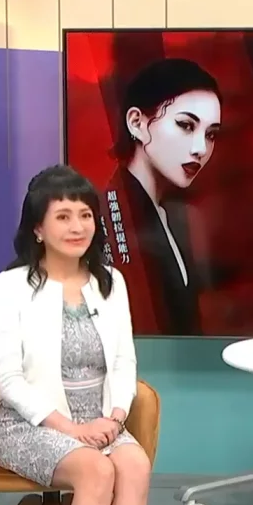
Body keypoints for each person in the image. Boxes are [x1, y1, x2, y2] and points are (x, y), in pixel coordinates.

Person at [0, 165, 153, 505]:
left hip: (101, 420)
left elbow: (124, 361)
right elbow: (7, 378)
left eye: (85, 215)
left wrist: (116, 416)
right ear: (38, 227)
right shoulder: (13, 286)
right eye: (63, 216)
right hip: (29, 424)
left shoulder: (110, 283)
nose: (77, 226)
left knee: (135, 466)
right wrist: (68, 427)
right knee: (96, 471)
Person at [102, 58, 222, 335]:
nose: (201, 148)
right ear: (137, 123)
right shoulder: (108, 213)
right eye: (186, 125)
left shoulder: (181, 218)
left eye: (211, 134)